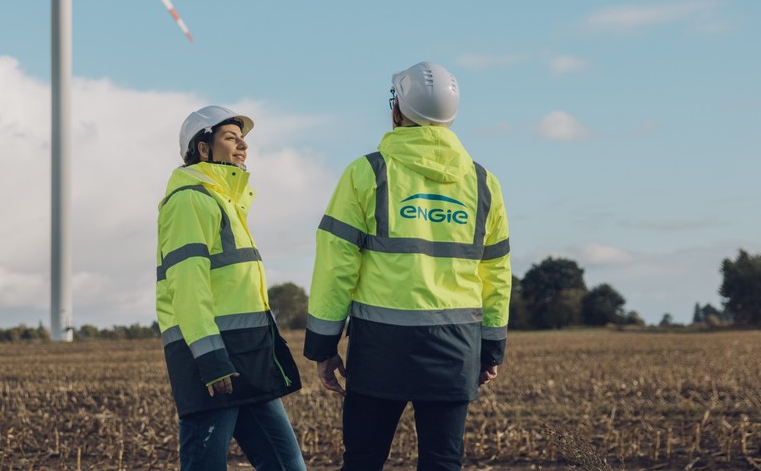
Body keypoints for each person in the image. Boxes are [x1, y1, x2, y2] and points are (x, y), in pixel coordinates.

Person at [304, 62, 511, 471]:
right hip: (455, 348)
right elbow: (497, 274)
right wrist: (491, 348)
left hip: (380, 349)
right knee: (442, 462)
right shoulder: (484, 183)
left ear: (397, 109)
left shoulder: (367, 173)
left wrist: (323, 347)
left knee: (363, 460)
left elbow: (335, 267)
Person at [156, 105, 306, 471]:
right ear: (203, 148)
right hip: (212, 360)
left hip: (246, 355)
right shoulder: (190, 200)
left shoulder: (227, 203)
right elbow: (187, 284)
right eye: (230, 138)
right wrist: (210, 358)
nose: (242, 146)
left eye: (243, 140)